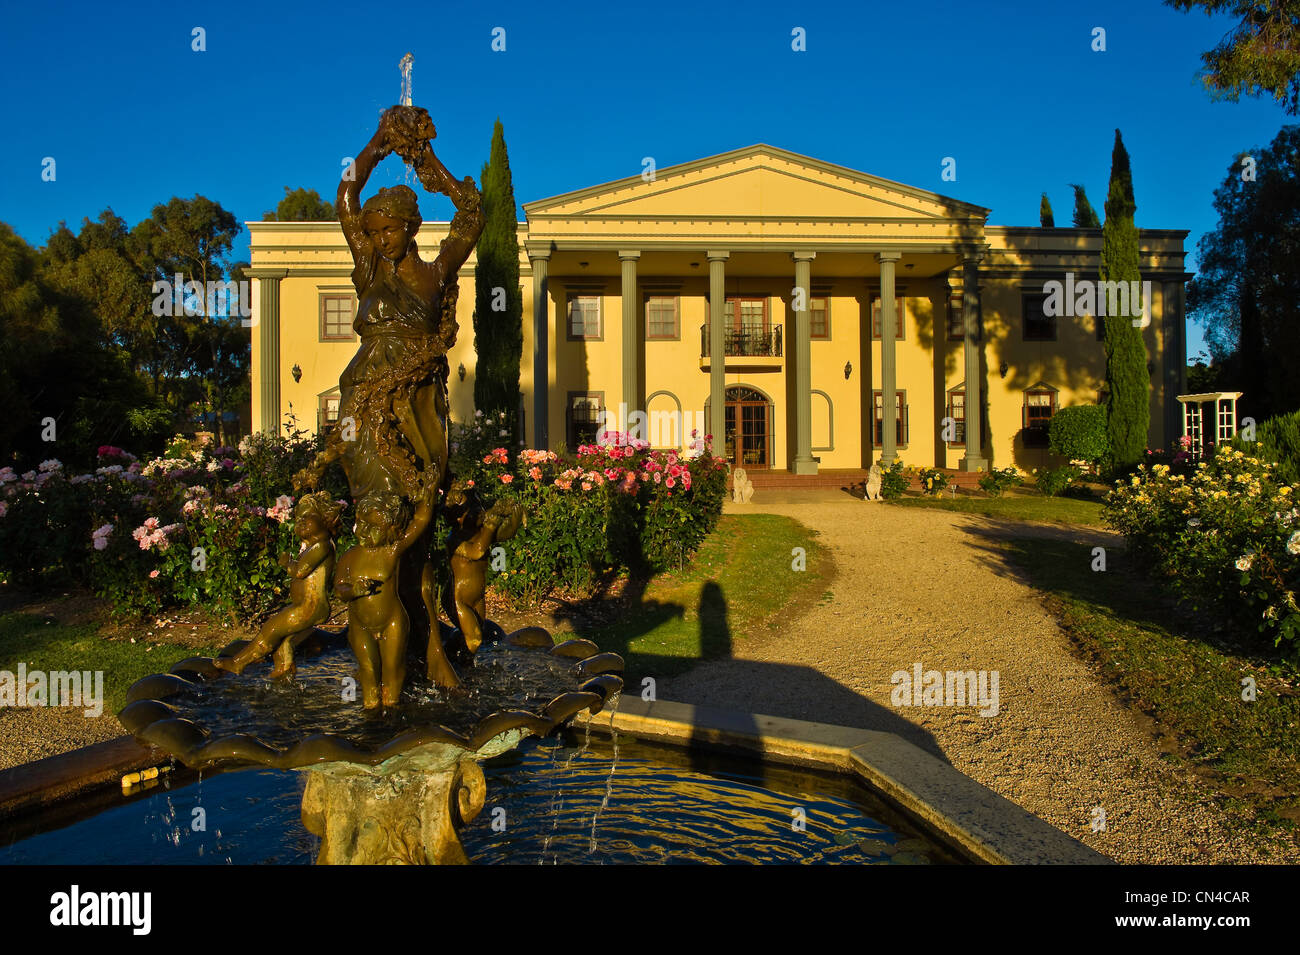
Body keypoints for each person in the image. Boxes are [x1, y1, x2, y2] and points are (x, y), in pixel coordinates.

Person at [215, 492, 343, 678]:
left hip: (310, 607)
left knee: (271, 629)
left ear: (325, 518)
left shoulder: (322, 545)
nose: (301, 521)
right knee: (283, 643)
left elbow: (300, 571)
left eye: (307, 517)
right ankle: (283, 673)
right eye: (298, 518)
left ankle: (238, 663)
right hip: (304, 606)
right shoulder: (312, 545)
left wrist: (286, 563)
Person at [334, 485, 438, 710]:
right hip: (361, 626)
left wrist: (427, 498)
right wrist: (353, 591)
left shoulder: (391, 551)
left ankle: (392, 705)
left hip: (393, 622)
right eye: (361, 523)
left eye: (374, 527)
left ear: (392, 529)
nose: (364, 531)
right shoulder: (349, 558)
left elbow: (420, 523)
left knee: (393, 668)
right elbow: (339, 590)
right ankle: (371, 709)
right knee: (368, 670)